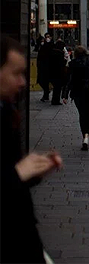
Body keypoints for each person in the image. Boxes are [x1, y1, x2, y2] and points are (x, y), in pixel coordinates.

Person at [1, 35, 63, 263]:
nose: (22, 82)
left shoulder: (7, 113)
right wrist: (18, 174)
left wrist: (33, 171)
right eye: (15, 73)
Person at [62, 46, 89, 150]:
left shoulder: (72, 64)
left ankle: (84, 135)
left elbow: (69, 81)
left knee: (82, 115)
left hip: (78, 93)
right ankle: (87, 135)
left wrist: (65, 95)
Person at [49, 40, 68, 105]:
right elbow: (61, 64)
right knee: (58, 88)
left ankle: (54, 100)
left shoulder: (52, 52)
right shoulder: (60, 53)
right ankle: (56, 100)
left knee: (56, 87)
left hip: (52, 72)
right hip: (59, 73)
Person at [36, 33, 53, 102]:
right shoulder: (43, 46)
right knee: (41, 81)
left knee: (46, 81)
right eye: (46, 37)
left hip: (48, 66)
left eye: (48, 37)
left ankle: (46, 95)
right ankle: (46, 92)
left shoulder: (51, 45)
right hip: (42, 66)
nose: (47, 38)